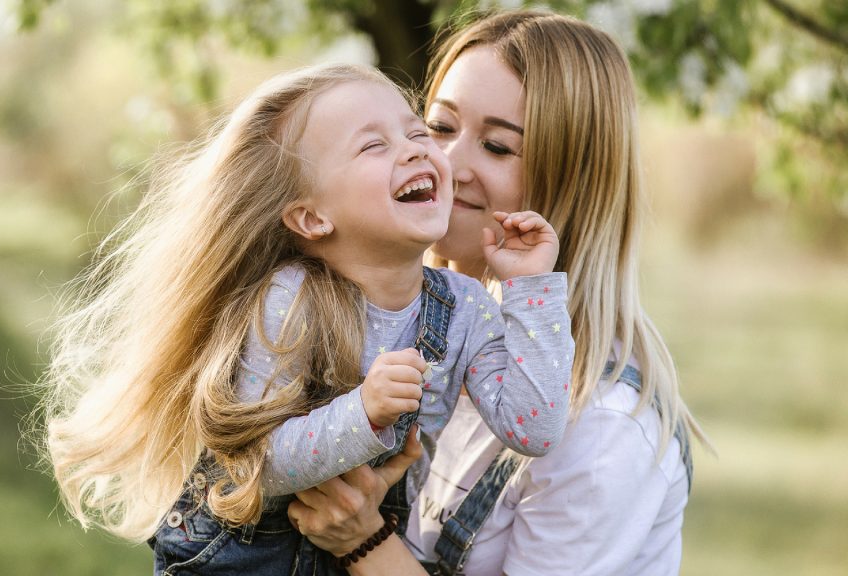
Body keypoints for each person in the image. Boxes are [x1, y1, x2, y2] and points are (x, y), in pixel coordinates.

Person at [39, 62, 574, 574]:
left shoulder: (467, 310)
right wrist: (363, 413)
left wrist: (530, 287)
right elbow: (259, 464)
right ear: (311, 217)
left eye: (416, 133)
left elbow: (532, 429)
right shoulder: (290, 302)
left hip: (361, 557)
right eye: (374, 145)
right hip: (247, 559)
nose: (416, 152)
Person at [287, 11, 709, 576]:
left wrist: (362, 539)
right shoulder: (414, 328)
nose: (447, 163)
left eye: (497, 146)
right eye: (437, 127)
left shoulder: (603, 428)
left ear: (570, 184)